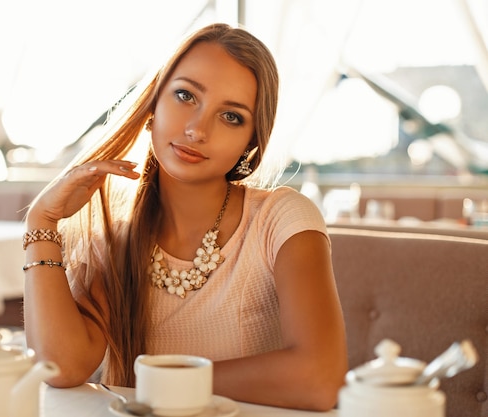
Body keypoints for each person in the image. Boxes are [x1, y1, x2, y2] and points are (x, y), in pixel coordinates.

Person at [23, 22, 347, 411]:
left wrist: (166, 381)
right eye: (185, 95)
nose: (197, 129)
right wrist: (41, 223)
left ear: (251, 143)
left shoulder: (281, 220)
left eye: (231, 117)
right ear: (153, 104)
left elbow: (320, 380)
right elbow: (60, 367)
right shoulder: (118, 241)